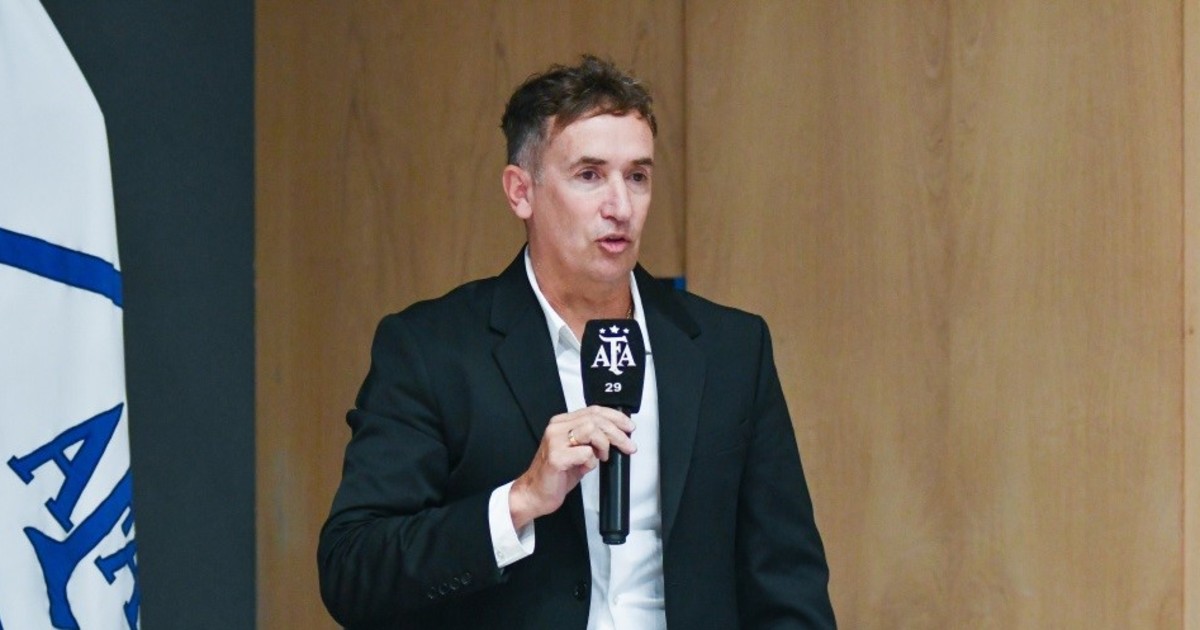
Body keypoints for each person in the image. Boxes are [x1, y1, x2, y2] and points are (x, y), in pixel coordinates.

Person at [317, 55, 835, 629]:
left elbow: (788, 582)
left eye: (637, 177)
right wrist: (518, 501)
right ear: (521, 192)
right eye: (589, 175)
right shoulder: (432, 350)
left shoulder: (731, 349)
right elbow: (352, 569)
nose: (620, 207)